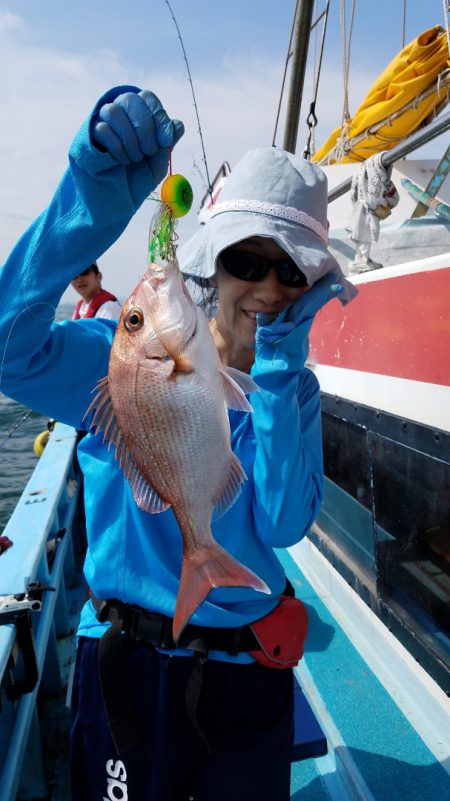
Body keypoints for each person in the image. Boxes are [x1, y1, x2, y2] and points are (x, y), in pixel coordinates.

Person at [0, 86, 355, 801]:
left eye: (291, 271)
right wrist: (94, 197)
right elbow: (10, 346)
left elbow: (284, 524)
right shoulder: (120, 358)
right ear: (213, 265)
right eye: (247, 262)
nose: (267, 286)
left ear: (312, 283)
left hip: (250, 675)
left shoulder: (296, 394)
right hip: (130, 667)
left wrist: (282, 381)